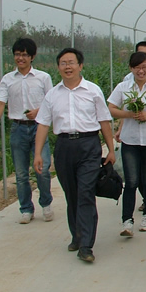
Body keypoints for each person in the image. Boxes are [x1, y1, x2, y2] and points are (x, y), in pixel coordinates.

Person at [34, 48, 116, 263]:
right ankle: (77, 236)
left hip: (89, 146)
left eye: (71, 62)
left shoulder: (93, 91)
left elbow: (104, 121)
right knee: (72, 194)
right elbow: (43, 124)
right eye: (63, 63)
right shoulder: (52, 94)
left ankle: (86, 245)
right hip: (64, 147)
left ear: (80, 66)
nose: (67, 67)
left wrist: (111, 149)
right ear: (58, 67)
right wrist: (38, 153)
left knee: (86, 192)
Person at [0, 38, 53, 224]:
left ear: (32, 57)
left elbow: (51, 101)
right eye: (17, 54)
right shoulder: (8, 79)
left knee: (42, 169)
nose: (20, 58)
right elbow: (0, 103)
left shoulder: (43, 78)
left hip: (39, 127)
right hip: (18, 129)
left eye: (24, 55)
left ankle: (46, 203)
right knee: (21, 173)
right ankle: (26, 208)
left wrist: (38, 111)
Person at [108, 52, 146, 236]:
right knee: (131, 181)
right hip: (130, 141)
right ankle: (127, 221)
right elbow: (111, 108)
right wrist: (129, 115)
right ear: (131, 68)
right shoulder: (123, 87)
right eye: (137, 67)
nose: (141, 71)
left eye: (144, 67)